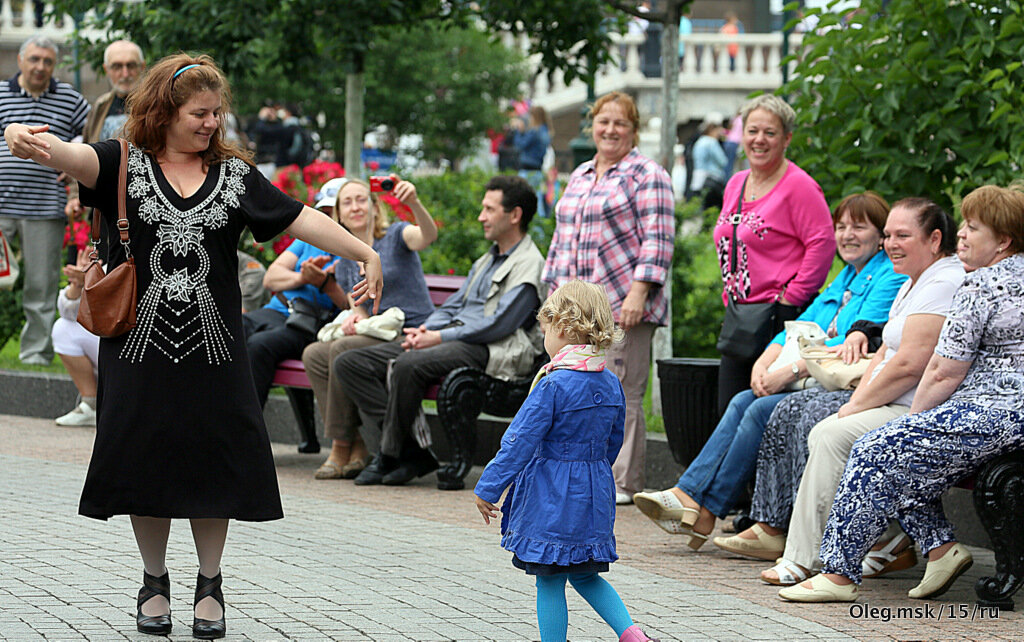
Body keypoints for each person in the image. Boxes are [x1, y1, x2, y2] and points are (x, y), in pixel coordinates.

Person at [3, 53, 382, 638]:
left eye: (216, 114)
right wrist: (18, 134)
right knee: (143, 463)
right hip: (136, 350)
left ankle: (210, 582)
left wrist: (364, 250)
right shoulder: (120, 163)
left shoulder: (232, 175)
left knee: (214, 463)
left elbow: (298, 217)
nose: (211, 124)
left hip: (216, 353)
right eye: (199, 114)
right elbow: (62, 153)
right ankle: (154, 580)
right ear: (164, 111)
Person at [780, 184, 1024, 603]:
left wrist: (912, 424)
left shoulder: (979, 285)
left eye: (973, 227)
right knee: (908, 461)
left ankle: (838, 574)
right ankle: (941, 548)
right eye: (963, 225)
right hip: (1006, 415)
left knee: (876, 447)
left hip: (996, 414)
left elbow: (943, 372)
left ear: (1002, 241)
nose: (961, 234)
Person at [633, 191, 905, 547]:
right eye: (840, 227)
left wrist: (788, 372)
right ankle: (696, 503)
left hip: (849, 384)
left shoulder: (889, 275)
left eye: (859, 226)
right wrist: (764, 362)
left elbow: (847, 343)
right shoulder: (848, 276)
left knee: (760, 408)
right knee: (744, 399)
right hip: (815, 376)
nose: (847, 235)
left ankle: (703, 506)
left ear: (880, 234)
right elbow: (800, 326)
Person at [715, 199, 964, 585]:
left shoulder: (942, 281)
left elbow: (908, 365)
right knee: (799, 419)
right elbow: (884, 353)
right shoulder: (914, 280)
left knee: (826, 431)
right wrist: (856, 400)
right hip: (891, 397)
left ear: (934, 239)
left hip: (919, 406)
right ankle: (799, 546)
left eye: (902, 236)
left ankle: (815, 558)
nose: (890, 245)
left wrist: (855, 405)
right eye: (888, 236)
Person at [474, 280, 659, 642]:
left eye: (544, 329)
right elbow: (614, 440)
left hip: (552, 494)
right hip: (593, 492)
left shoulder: (552, 384)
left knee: (550, 578)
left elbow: (519, 440)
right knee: (587, 574)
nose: (544, 337)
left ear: (562, 326)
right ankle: (632, 634)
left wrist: (489, 486)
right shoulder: (610, 383)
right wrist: (594, 471)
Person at [336, 174, 544, 487]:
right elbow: (453, 305)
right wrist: (425, 329)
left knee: (407, 364)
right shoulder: (488, 259)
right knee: (350, 363)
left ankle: (388, 454)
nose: (481, 216)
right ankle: (413, 451)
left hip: (489, 346)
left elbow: (499, 324)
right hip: (452, 336)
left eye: (489, 209)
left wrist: (439, 336)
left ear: (514, 215)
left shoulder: (529, 263)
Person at [543, 91, 674, 504]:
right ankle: (575, 471)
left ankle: (622, 481)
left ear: (634, 131)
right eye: (604, 122)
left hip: (623, 303)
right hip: (574, 309)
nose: (611, 130)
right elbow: (560, 237)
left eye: (621, 123)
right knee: (571, 386)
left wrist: (639, 293)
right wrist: (552, 296)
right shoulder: (581, 173)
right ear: (592, 126)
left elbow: (658, 240)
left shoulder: (648, 175)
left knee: (621, 389)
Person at [303, 176, 438, 480]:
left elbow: (427, 236)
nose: (355, 207)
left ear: (375, 206)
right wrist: (354, 317)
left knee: (340, 350)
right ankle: (356, 444)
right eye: (347, 202)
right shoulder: (346, 256)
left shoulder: (396, 236)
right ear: (337, 214)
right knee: (313, 353)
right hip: (377, 331)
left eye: (361, 199)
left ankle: (340, 446)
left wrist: (413, 203)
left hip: (411, 329)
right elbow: (360, 305)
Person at [713, 94, 835, 416]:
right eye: (752, 131)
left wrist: (791, 298)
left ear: (786, 139)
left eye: (770, 133)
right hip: (741, 316)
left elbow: (822, 243)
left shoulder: (799, 186)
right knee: (728, 411)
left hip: (780, 319)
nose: (759, 140)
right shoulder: (736, 183)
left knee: (761, 411)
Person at [0, 36, 90, 365]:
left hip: (45, 209)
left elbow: (91, 137)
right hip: (1, 209)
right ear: (21, 60)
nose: (40, 67)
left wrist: (76, 167)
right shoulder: (0, 93)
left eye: (47, 61)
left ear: (54, 65)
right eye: (34, 59)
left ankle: (35, 354)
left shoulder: (70, 99)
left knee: (41, 286)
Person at [241, 217, 348, 407]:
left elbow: (351, 305)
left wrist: (326, 284)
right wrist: (303, 277)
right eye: (324, 212)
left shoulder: (352, 249)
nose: (329, 217)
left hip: (313, 322)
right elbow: (270, 278)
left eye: (332, 211)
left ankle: (246, 428)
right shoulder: (307, 241)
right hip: (277, 310)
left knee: (259, 345)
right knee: (230, 329)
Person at [65, 40, 146, 221]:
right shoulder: (100, 107)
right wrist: (76, 197)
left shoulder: (156, 106)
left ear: (142, 66)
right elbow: (85, 152)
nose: (125, 73)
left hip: (144, 207)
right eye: (117, 66)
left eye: (131, 65)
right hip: (104, 209)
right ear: (106, 69)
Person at [51, 245, 100, 426]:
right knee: (63, 329)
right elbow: (68, 313)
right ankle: (91, 406)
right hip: (109, 342)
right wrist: (79, 284)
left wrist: (95, 280)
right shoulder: (99, 252)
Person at [509, 105, 552, 217]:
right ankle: (541, 230)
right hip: (537, 170)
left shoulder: (535, 132)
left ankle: (538, 231)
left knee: (525, 202)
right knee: (537, 201)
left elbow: (520, 144)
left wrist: (518, 131)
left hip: (528, 170)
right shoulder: (546, 131)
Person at [690, 117, 728, 212]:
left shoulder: (699, 141)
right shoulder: (712, 142)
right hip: (712, 179)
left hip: (698, 179)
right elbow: (723, 161)